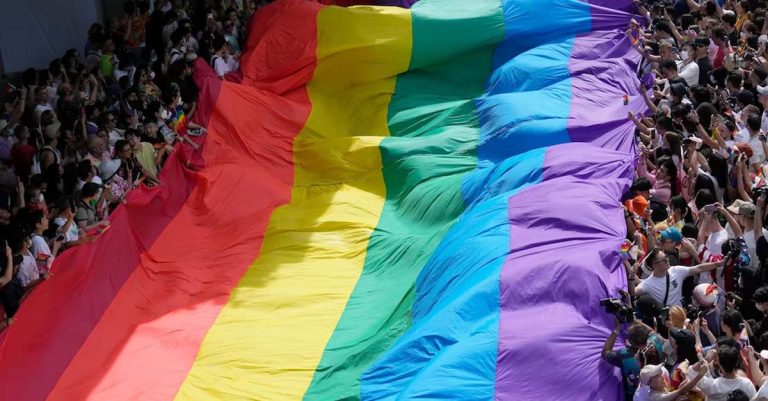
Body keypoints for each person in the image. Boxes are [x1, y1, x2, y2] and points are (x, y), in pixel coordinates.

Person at [636, 249, 725, 307]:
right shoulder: (648, 283)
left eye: (666, 257)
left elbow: (698, 268)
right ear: (654, 265)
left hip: (681, 317)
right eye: (663, 260)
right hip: (666, 323)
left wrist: (718, 264)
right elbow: (633, 292)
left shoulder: (676, 271)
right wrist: (632, 277)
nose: (667, 260)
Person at [689, 346, 756, 400]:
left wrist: (707, 359)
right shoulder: (747, 384)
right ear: (737, 362)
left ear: (719, 362)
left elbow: (691, 371)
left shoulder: (713, 386)